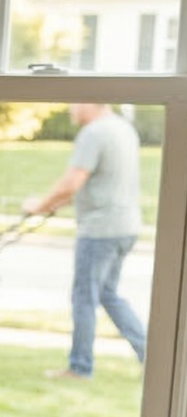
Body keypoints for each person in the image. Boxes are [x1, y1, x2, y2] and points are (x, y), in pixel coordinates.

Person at [28, 103, 146, 379]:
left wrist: (39, 206)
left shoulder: (94, 133)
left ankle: (80, 368)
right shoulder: (123, 129)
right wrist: (55, 204)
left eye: (75, 102)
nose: (71, 108)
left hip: (100, 230)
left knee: (84, 297)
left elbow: (72, 184)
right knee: (108, 294)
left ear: (92, 102)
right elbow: (103, 183)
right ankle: (150, 354)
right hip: (126, 226)